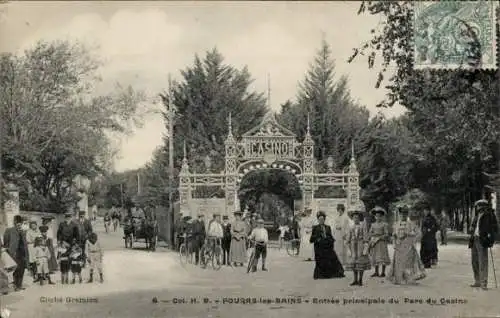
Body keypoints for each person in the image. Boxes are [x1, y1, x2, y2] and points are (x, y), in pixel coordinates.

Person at [387, 206, 426, 285]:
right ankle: (399, 279)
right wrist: (394, 243)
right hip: (399, 246)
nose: (403, 216)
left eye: (405, 214)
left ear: (407, 214)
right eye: (402, 214)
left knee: (408, 263)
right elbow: (393, 235)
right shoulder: (396, 224)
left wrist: (411, 238)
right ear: (399, 215)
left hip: (408, 246)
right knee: (399, 263)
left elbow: (419, 233)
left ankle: (409, 279)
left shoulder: (411, 224)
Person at [469, 199, 499, 290]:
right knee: (474, 261)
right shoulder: (477, 214)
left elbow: (495, 228)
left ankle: (484, 283)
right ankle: (477, 281)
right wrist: (472, 228)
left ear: (482, 206)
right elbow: (474, 225)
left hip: (483, 240)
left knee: (483, 262)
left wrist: (490, 239)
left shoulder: (489, 215)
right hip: (475, 239)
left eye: (478, 206)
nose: (477, 207)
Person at [310, 211, 345, 280]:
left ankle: (333, 273)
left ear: (324, 220)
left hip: (327, 246)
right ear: (318, 220)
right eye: (320, 219)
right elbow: (311, 239)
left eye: (322, 219)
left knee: (333, 257)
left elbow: (330, 236)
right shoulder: (315, 228)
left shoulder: (328, 227)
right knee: (321, 257)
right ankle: (321, 274)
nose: (321, 221)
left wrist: (330, 241)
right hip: (319, 247)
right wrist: (318, 239)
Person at [345, 208, 371, 286]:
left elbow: (366, 237)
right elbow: (348, 238)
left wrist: (366, 247)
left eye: (357, 217)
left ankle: (360, 280)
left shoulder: (363, 226)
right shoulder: (350, 227)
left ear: (360, 218)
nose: (356, 219)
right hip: (353, 246)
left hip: (360, 245)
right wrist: (348, 247)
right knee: (354, 263)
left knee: (361, 262)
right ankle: (355, 279)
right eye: (354, 218)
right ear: (352, 218)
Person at [3, 215, 28, 291]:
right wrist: (9, 250)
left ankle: (19, 285)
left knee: (22, 269)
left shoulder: (23, 231)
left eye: (20, 223)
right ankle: (15, 285)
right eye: (17, 222)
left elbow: (24, 243)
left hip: (22, 253)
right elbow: (6, 241)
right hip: (15, 253)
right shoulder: (9, 230)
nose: (19, 224)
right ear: (14, 222)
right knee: (16, 269)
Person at [368, 207, 391, 277]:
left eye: (379, 216)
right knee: (375, 256)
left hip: (382, 242)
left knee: (383, 256)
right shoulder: (373, 225)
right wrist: (374, 235)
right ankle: (376, 272)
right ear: (375, 217)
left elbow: (386, 234)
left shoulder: (384, 224)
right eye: (376, 216)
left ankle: (383, 272)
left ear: (381, 217)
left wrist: (381, 237)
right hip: (375, 242)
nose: (378, 217)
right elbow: (369, 233)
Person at [420, 204, 439, 268]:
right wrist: (423, 231)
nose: (424, 212)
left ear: (428, 211)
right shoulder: (424, 218)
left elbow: (436, 227)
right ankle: (425, 262)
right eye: (424, 211)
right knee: (424, 249)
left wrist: (430, 230)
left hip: (430, 237)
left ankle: (429, 262)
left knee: (430, 249)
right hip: (425, 236)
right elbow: (422, 227)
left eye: (426, 210)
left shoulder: (432, 218)